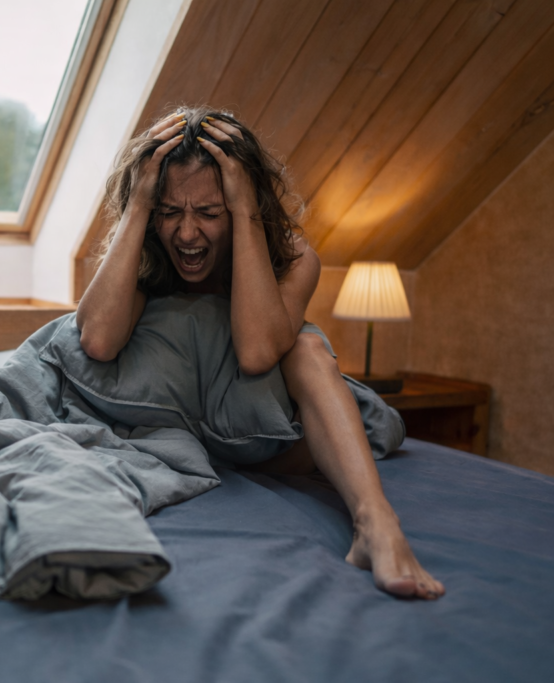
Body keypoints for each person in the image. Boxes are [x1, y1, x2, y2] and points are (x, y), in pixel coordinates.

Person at [75, 106, 445, 600]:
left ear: (241, 204)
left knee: (308, 347)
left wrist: (246, 211)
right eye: (170, 212)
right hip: (183, 434)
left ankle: (376, 522)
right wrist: (140, 203)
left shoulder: (294, 259)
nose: (186, 234)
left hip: (275, 444)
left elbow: (255, 352)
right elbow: (97, 339)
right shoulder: (147, 260)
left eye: (208, 212)